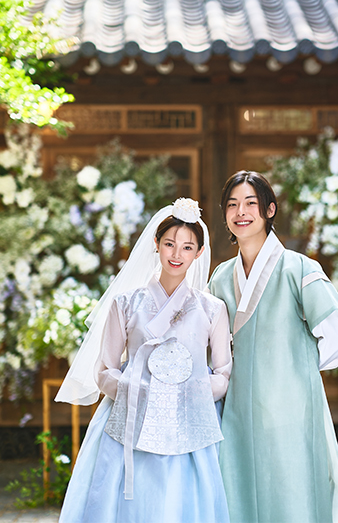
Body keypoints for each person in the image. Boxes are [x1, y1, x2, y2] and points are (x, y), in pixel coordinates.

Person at [55, 198, 232, 523]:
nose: (177, 254)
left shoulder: (212, 308)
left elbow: (223, 373)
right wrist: (135, 388)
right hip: (133, 411)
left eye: (187, 247)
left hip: (189, 418)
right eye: (169, 244)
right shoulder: (125, 304)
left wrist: (193, 390)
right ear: (156, 243)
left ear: (199, 252)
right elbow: (104, 370)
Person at [208, 170, 338, 523]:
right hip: (236, 406)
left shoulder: (298, 268)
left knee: (291, 489)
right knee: (238, 488)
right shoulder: (220, 277)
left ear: (270, 209)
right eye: (232, 204)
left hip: (290, 406)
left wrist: (297, 366)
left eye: (250, 203)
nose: (241, 212)